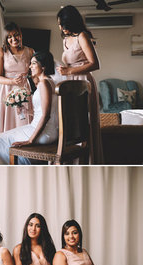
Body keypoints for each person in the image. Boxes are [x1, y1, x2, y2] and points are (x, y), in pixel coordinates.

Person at [0, 51, 60, 165]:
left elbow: (46, 115)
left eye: (34, 63)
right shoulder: (51, 82)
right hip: (50, 131)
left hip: (43, 133)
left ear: (43, 66)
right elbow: (45, 111)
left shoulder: (44, 84)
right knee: (2, 138)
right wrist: (27, 111)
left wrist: (31, 140)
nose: (30, 66)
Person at [55, 5, 103, 163]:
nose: (61, 27)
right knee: (70, 122)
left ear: (71, 22)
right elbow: (71, 63)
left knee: (83, 122)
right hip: (69, 83)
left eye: (63, 24)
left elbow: (95, 64)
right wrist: (65, 70)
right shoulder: (65, 40)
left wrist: (70, 71)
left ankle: (86, 161)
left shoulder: (82, 36)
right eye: (60, 24)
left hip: (83, 83)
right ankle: (70, 160)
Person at [0, 22, 35, 144]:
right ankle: (2, 150)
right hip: (5, 90)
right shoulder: (1, 51)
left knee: (22, 120)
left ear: (20, 34)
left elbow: (34, 71)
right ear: (6, 38)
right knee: (4, 121)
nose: (13, 39)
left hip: (23, 88)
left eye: (16, 35)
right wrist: (12, 81)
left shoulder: (30, 51)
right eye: (9, 37)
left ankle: (23, 149)